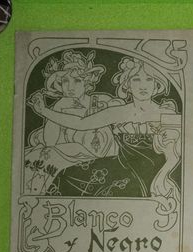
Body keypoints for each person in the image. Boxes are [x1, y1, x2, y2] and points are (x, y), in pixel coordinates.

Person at [28, 56, 179, 198]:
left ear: (156, 85)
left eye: (149, 79)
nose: (142, 85)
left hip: (154, 172)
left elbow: (178, 151)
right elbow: (81, 123)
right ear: (127, 85)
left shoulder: (166, 113)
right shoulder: (118, 112)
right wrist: (44, 111)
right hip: (120, 169)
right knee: (66, 175)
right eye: (136, 79)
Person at [24, 49, 133, 196]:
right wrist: (50, 114)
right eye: (65, 81)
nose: (70, 87)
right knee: (36, 158)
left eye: (77, 81)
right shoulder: (59, 106)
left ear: (86, 82)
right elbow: (50, 142)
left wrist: (45, 111)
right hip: (72, 158)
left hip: (104, 160)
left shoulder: (100, 100)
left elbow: (120, 112)